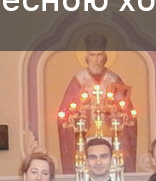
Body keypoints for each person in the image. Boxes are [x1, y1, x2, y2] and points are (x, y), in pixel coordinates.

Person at [57, 32, 137, 173]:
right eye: (92, 55)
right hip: (85, 137)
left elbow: (127, 114)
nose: (96, 59)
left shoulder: (114, 79)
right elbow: (64, 115)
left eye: (99, 55)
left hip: (110, 136)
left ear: (104, 57)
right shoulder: (78, 80)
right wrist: (77, 112)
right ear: (87, 57)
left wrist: (115, 110)